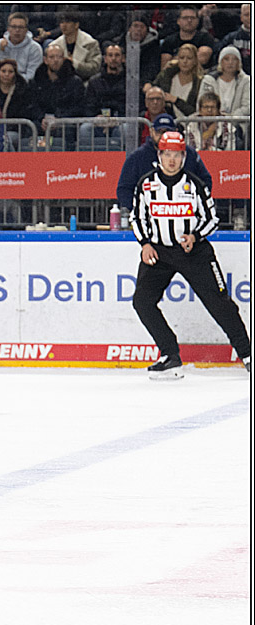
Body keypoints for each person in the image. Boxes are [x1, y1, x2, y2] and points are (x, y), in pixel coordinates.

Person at [129, 131, 250, 379]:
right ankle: (170, 355)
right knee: (142, 301)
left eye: (176, 155)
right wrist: (144, 244)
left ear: (184, 157)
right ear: (159, 155)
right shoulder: (146, 184)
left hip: (194, 252)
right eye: (167, 154)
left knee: (220, 303)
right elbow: (137, 217)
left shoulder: (195, 184)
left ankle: (247, 354)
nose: (171, 160)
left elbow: (212, 219)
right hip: (159, 252)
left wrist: (195, 236)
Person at [116, 112, 213, 215]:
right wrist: (140, 211)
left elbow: (205, 181)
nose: (163, 136)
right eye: (159, 132)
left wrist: (195, 206)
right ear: (151, 132)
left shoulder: (190, 154)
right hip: (150, 216)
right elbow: (124, 189)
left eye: (167, 132)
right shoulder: (137, 157)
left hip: (184, 214)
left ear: (176, 132)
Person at [31, 43, 87, 151]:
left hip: (65, 123)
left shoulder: (75, 82)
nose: (55, 60)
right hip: (42, 122)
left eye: (59, 57)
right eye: (51, 57)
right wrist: (41, 118)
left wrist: (59, 119)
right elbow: (32, 105)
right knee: (30, 128)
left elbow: (79, 107)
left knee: (67, 130)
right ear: (45, 60)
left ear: (64, 59)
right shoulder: (36, 81)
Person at [80, 44, 128, 151]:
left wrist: (118, 119)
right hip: (98, 121)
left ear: (123, 58)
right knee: (85, 129)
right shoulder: (94, 81)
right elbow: (88, 106)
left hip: (121, 120)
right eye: (110, 55)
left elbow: (132, 106)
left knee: (125, 129)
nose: (113, 59)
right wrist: (98, 117)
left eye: (117, 55)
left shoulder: (129, 81)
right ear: (105, 59)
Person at [151, 43, 204, 119]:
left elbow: (196, 112)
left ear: (195, 61)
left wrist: (176, 100)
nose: (185, 61)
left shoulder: (200, 82)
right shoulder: (166, 76)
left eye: (189, 58)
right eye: (182, 58)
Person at [0, 11, 42, 81]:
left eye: (21, 27)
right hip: (0, 83)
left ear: (26, 30)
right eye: (13, 27)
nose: (17, 30)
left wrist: (12, 81)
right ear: (8, 29)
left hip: (24, 85)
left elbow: (32, 75)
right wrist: (1, 52)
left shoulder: (35, 48)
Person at [197, 46, 250, 117]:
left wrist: (230, 119)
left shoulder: (246, 81)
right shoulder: (208, 80)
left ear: (239, 62)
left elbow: (248, 106)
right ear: (220, 61)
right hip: (211, 122)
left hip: (237, 123)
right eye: (226, 59)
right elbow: (201, 103)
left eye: (234, 59)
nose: (230, 62)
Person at [160, 6, 216, 70]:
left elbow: (203, 59)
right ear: (178, 21)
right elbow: (165, 66)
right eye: (185, 18)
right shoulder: (169, 41)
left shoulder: (206, 38)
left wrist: (175, 59)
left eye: (192, 18)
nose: (189, 20)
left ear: (198, 21)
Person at [124, 11, 163, 89]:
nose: (138, 29)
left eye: (142, 27)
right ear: (129, 29)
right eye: (135, 26)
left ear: (147, 31)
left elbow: (151, 70)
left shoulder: (153, 46)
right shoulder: (122, 43)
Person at [216, 4, 250, 75]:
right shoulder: (230, 38)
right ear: (241, 18)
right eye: (247, 15)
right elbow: (218, 56)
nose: (250, 17)